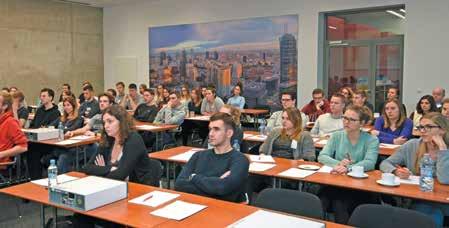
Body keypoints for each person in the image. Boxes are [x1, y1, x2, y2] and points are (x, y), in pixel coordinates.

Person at [75, 105, 158, 228]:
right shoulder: (109, 139)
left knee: (107, 215)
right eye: (104, 122)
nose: (106, 126)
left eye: (110, 121)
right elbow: (87, 167)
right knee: (80, 213)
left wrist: (101, 171)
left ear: (122, 122)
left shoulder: (133, 139)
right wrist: (109, 168)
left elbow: (120, 174)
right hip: (113, 189)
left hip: (136, 193)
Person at [380, 112, 449, 227]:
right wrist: (396, 171)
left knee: (432, 215)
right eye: (421, 127)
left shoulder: (446, 150)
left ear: (442, 130)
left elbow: (444, 179)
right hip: (417, 198)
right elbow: (385, 163)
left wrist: (442, 149)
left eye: (428, 127)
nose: (422, 131)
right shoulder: (413, 145)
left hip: (442, 201)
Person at [317, 105, 379, 224]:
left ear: (362, 123)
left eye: (352, 119)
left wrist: (347, 168)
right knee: (319, 200)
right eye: (345, 118)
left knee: (339, 203)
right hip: (336, 181)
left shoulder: (371, 140)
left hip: (358, 185)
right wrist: (338, 164)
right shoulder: (336, 136)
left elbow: (370, 163)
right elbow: (322, 156)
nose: (346, 122)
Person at [174, 112, 249, 203]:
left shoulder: (240, 160)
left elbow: (223, 188)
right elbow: (179, 185)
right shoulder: (198, 155)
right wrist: (216, 184)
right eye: (210, 129)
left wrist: (194, 177)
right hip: (195, 207)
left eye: (216, 129)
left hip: (223, 211)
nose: (211, 134)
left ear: (229, 133)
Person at [49, 97, 84, 173]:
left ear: (73, 106)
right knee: (43, 156)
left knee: (63, 158)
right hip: (59, 146)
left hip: (73, 147)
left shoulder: (79, 118)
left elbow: (72, 129)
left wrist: (59, 131)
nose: (66, 107)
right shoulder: (62, 118)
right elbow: (50, 126)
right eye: (64, 105)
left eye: (68, 105)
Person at [0, 91, 28, 164]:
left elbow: (23, 147)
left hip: (2, 163)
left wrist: (1, 154)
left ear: (4, 106)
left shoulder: (10, 122)